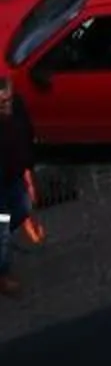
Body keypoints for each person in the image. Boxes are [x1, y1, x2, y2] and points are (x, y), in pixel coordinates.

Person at [0, 71, 38, 299]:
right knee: (2, 229)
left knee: (23, 209)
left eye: (7, 100)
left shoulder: (18, 108)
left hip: (13, 177)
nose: (6, 106)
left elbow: (26, 135)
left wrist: (28, 169)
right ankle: (2, 276)